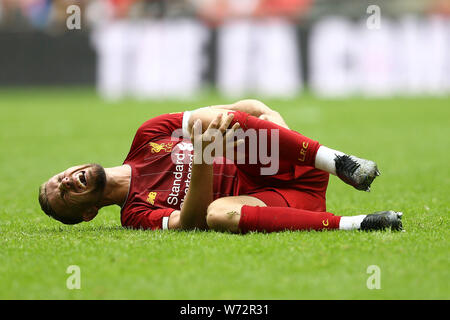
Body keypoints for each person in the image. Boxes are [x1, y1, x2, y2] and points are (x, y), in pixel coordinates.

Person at [38, 99, 403, 233]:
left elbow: (248, 109)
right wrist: (202, 158)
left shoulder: (147, 135)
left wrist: (230, 128)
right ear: (87, 213)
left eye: (60, 177)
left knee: (229, 122)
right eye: (64, 194)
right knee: (217, 215)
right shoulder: (134, 213)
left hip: (285, 163)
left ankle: (338, 162)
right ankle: (361, 224)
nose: (67, 182)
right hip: (277, 203)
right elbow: (190, 222)